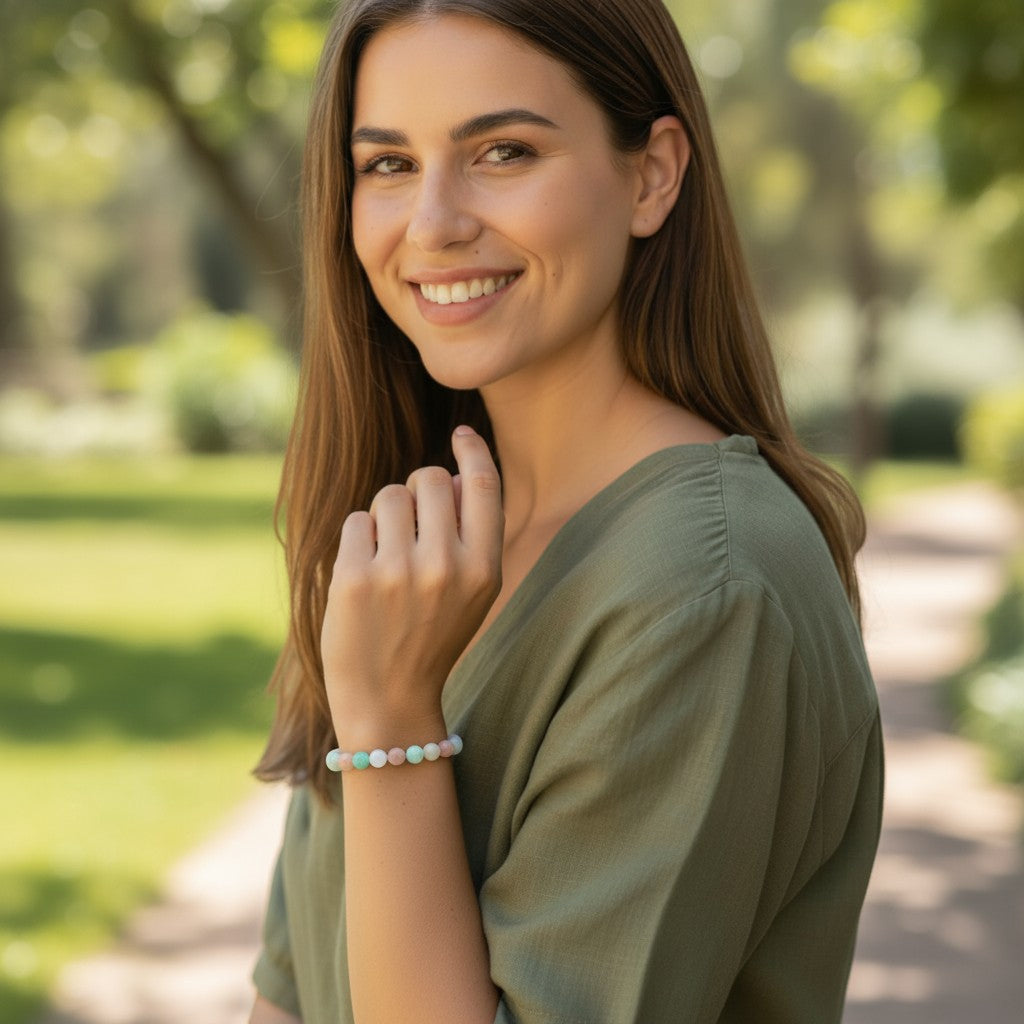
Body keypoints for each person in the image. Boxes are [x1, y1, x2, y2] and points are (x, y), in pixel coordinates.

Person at [249, 1, 883, 1021]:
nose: (433, 223)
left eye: (501, 150)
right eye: (387, 163)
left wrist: (391, 728)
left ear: (651, 173)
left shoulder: (704, 590)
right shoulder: (418, 545)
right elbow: (289, 990)